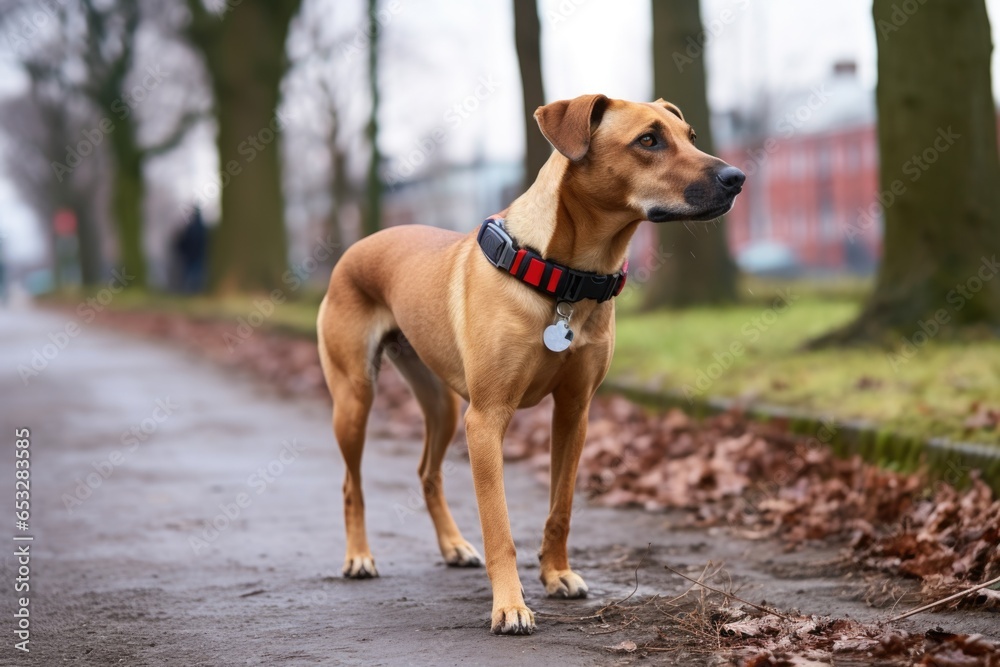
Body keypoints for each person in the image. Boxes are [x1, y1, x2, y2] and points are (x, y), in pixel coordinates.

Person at [176, 207, 208, 293]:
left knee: (189, 277)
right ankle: (195, 292)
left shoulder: (190, 228)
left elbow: (183, 241)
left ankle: (188, 293)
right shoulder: (204, 228)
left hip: (190, 257)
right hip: (199, 257)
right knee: (197, 276)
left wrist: (182, 251)